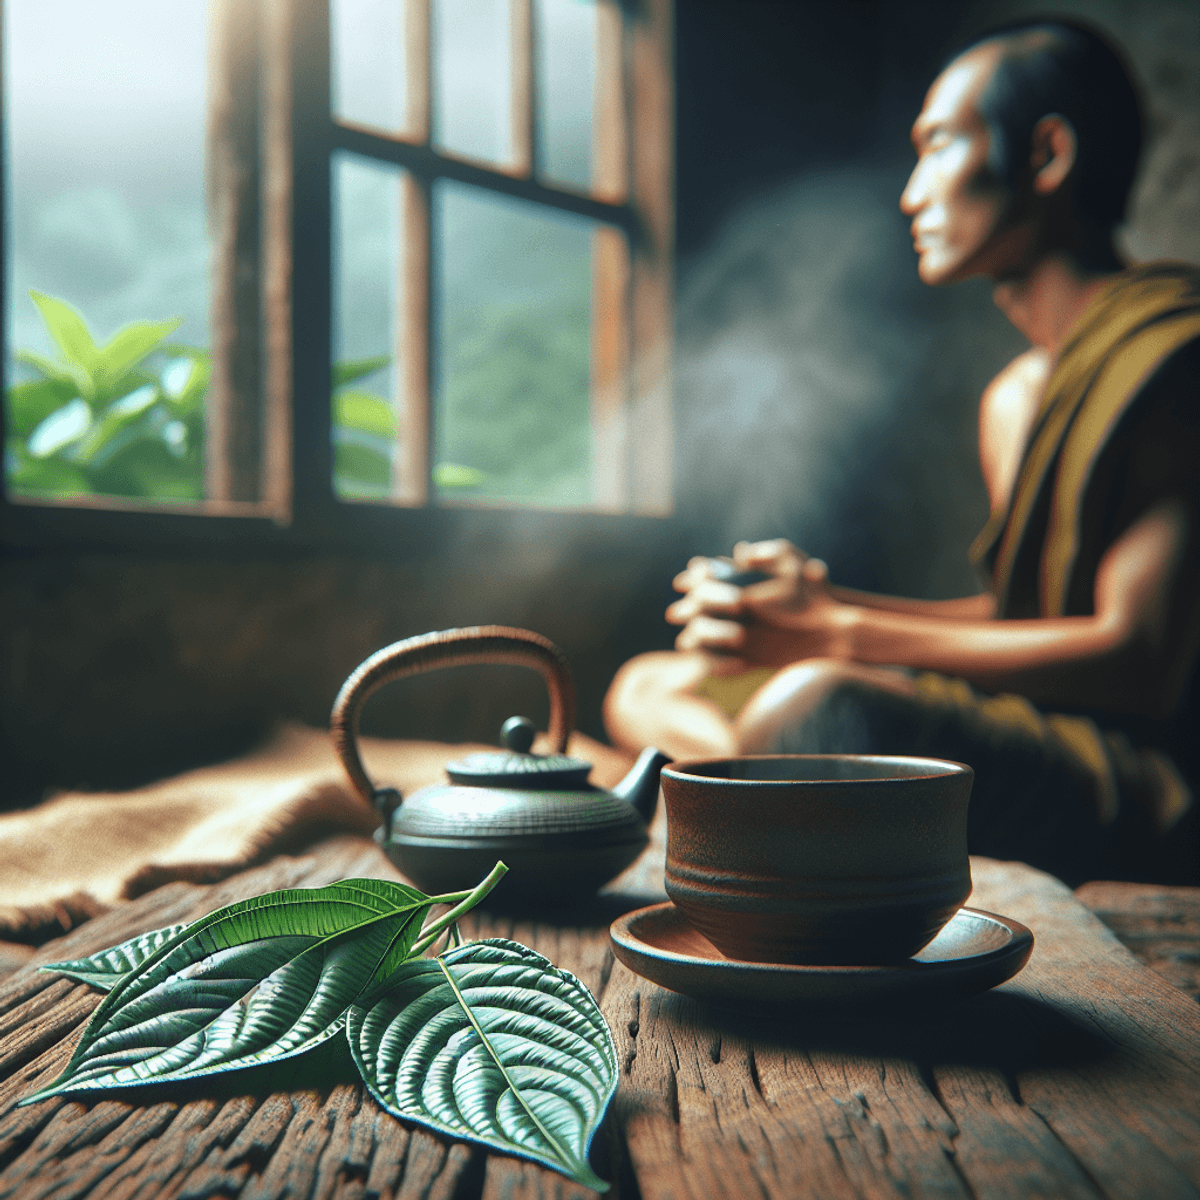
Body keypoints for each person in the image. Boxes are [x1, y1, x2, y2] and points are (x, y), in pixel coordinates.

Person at [604, 19, 1200, 885]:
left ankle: (759, 790)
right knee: (651, 680)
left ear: (1047, 155)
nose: (912, 193)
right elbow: (1021, 621)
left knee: (818, 702)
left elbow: (1137, 660)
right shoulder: (1014, 399)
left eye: (940, 146)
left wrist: (838, 636)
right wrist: (814, 606)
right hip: (1023, 713)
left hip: (1130, 772)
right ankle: (780, 789)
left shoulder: (1171, 360)